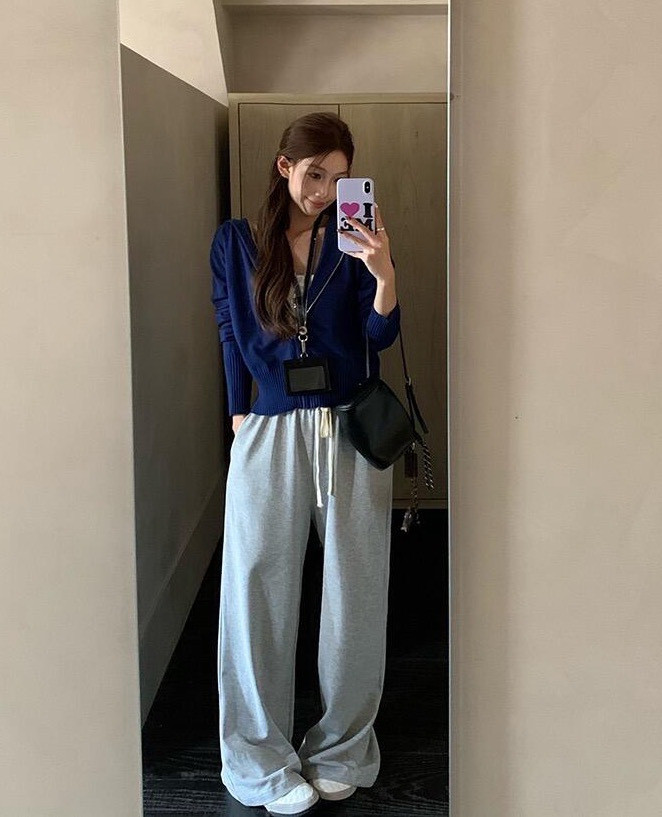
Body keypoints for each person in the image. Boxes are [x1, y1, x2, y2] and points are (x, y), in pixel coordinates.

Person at [209, 111, 400, 816]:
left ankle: (343, 746)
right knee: (255, 586)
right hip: (268, 426)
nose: (323, 192)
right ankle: (256, 756)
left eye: (339, 180)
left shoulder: (352, 240)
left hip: (347, 423)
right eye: (314, 174)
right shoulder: (236, 241)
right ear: (284, 166)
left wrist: (382, 274)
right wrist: (238, 410)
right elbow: (228, 326)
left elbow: (379, 334)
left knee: (355, 588)